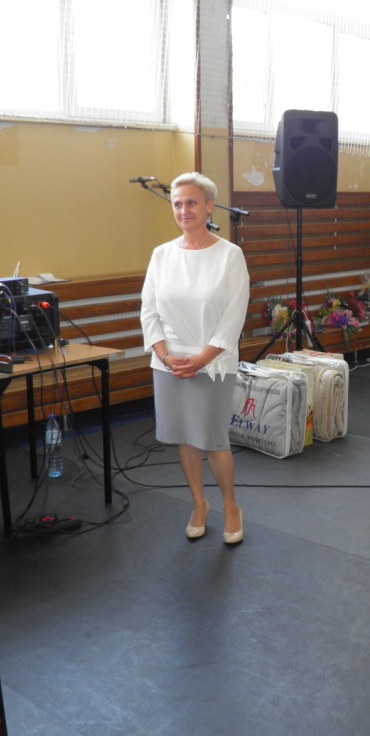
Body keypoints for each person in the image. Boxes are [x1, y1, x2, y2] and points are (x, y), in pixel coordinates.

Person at [140, 172, 250, 545]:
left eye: (191, 202)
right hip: (170, 364)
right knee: (185, 438)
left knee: (213, 439)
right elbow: (148, 311)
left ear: (208, 207)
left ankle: (231, 506)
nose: (184, 210)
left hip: (213, 363)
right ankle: (199, 504)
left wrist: (201, 359)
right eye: (177, 204)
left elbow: (234, 315)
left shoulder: (229, 255)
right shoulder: (162, 255)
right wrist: (165, 356)